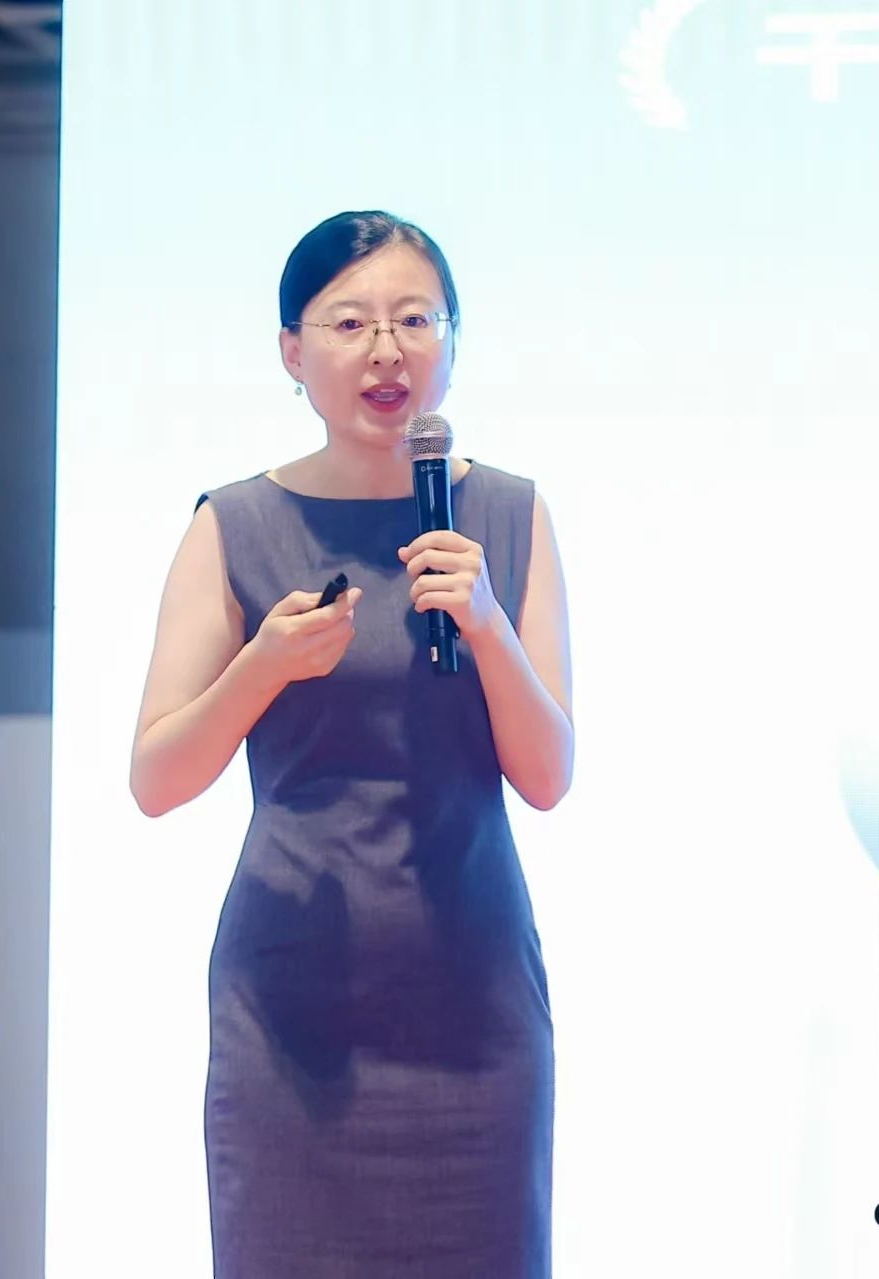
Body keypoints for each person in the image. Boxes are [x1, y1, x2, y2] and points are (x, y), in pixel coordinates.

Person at [128, 210, 574, 1277]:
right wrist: (263, 667)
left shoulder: (507, 514)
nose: (387, 350)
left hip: (473, 1005)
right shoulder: (234, 524)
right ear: (292, 351)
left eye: (416, 320)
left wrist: (487, 625)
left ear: (453, 340)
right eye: (350, 323)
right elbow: (156, 779)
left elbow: (548, 776)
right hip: (293, 1015)